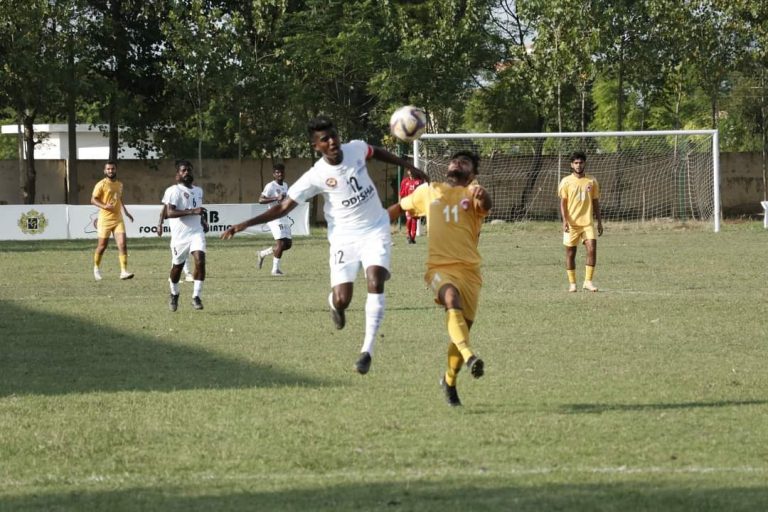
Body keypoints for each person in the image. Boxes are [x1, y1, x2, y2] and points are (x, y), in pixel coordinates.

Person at [221, 116, 428, 375]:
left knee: (375, 278)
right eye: (324, 139)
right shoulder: (315, 176)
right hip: (344, 237)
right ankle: (334, 304)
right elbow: (283, 207)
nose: (332, 142)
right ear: (315, 146)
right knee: (343, 298)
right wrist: (243, 224)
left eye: (334, 136)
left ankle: (367, 350)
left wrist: (408, 165)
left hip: (375, 227)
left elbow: (377, 152)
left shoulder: (355, 148)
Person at [388, 150, 492, 407]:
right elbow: (399, 208)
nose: (458, 163)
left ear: (473, 174)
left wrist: (484, 195)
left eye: (465, 162)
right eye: (455, 160)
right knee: (449, 297)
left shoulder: (473, 192)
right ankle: (470, 357)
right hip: (439, 268)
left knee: (461, 331)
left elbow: (486, 206)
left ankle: (449, 380)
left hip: (470, 272)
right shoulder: (429, 191)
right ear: (447, 166)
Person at [162, 160, 209, 311]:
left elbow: (198, 209)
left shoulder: (198, 190)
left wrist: (202, 220)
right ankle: (174, 294)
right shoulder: (173, 191)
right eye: (183, 170)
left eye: (189, 170)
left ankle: (196, 296)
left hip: (196, 233)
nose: (187, 172)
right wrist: (192, 212)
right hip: (179, 237)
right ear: (178, 175)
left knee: (200, 260)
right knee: (177, 268)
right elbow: (169, 213)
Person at [558, 151, 603, 292]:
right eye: (576, 163)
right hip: (572, 224)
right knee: (571, 253)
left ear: (585, 163)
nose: (578, 165)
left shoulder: (592, 181)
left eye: (581, 162)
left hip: (587, 223)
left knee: (592, 249)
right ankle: (572, 283)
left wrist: (600, 221)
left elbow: (595, 202)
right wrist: (565, 221)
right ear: (572, 165)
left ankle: (588, 282)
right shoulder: (566, 181)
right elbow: (563, 203)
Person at [91, 160, 135, 281]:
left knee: (122, 245)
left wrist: (126, 212)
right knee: (102, 246)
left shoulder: (120, 184)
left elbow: (119, 199)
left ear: (116, 170)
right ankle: (96, 269)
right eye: (108, 169)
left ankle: (123, 272)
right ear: (105, 171)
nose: (111, 171)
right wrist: (105, 206)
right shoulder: (101, 184)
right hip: (105, 220)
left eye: (113, 169)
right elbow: (93, 200)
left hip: (118, 219)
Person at [256, 163, 292, 275]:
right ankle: (275, 270)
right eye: (277, 172)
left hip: (284, 217)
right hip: (274, 217)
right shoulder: (270, 186)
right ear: (274, 174)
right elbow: (261, 200)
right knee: (280, 243)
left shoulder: (285, 185)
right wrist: (276, 197)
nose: (280, 174)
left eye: (281, 172)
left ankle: (262, 253)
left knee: (287, 244)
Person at [157, 202, 194, 283]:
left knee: (186, 251)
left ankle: (187, 274)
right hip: (177, 229)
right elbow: (164, 209)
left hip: (186, 228)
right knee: (178, 253)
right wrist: (160, 224)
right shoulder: (173, 194)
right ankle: (174, 276)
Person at [399, 168, 424, 244]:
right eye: (409, 170)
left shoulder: (419, 181)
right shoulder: (405, 181)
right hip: (408, 202)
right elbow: (401, 193)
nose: (410, 172)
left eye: (412, 171)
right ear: (408, 172)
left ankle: (412, 237)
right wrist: (400, 201)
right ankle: (408, 234)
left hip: (416, 203)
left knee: (414, 220)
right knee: (409, 218)